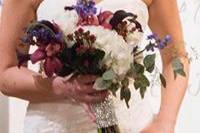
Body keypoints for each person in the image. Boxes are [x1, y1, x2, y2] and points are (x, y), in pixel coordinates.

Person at [0, 0, 189, 133]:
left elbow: (176, 56)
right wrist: (59, 87)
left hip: (132, 124)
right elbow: (5, 73)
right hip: (53, 124)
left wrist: (166, 122)